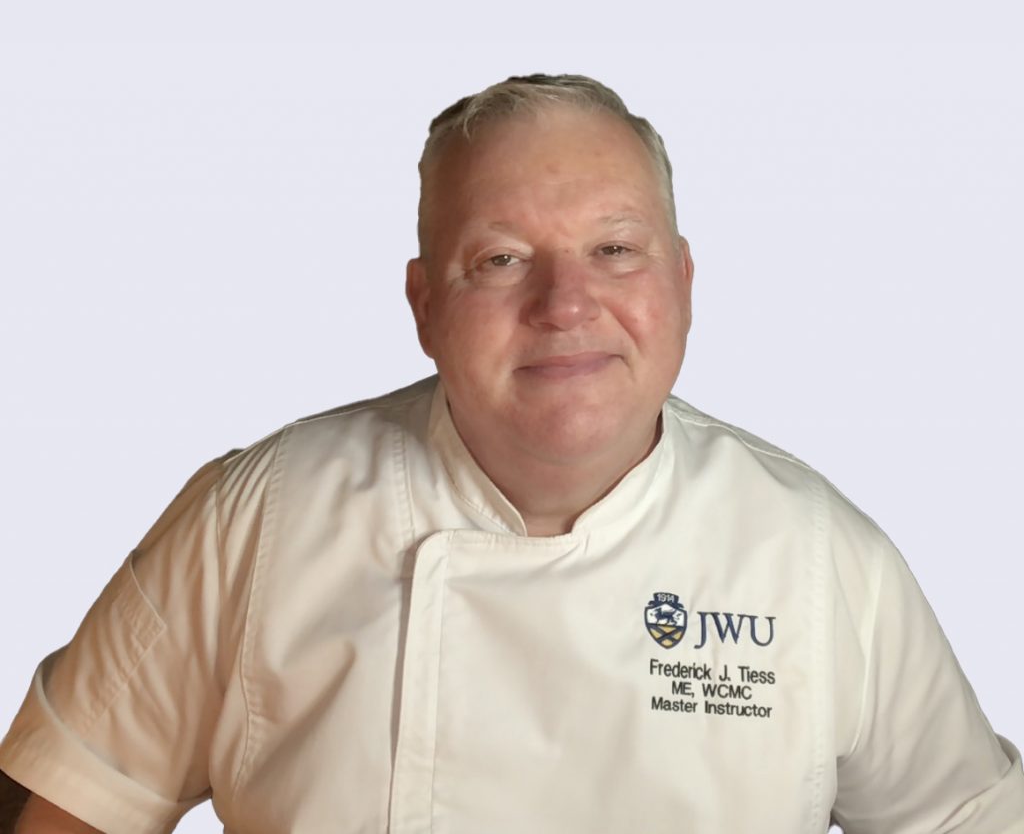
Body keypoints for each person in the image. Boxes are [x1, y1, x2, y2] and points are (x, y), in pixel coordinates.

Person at [1, 73, 1022, 833]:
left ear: (682, 282)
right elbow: (71, 801)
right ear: (424, 305)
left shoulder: (815, 553)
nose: (565, 304)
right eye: (499, 260)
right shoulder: (261, 515)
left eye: (614, 249)